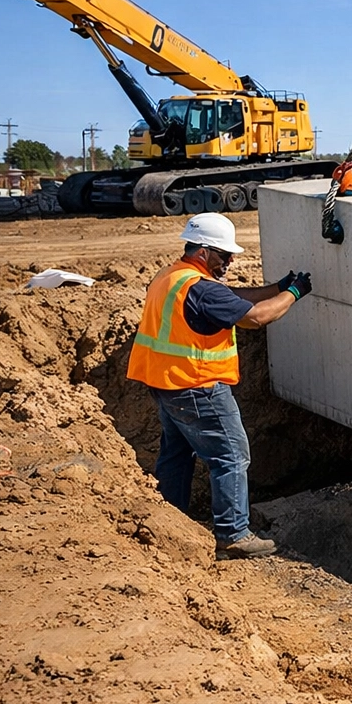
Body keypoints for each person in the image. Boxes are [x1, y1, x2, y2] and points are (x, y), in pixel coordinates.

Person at [127, 212, 313, 560]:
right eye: (224, 255)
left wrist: (276, 287)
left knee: (177, 454)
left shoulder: (174, 276)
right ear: (202, 252)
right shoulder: (200, 287)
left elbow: (229, 297)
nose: (230, 261)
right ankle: (233, 534)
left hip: (166, 383)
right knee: (231, 455)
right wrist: (293, 293)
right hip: (197, 387)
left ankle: (171, 520)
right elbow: (257, 317)